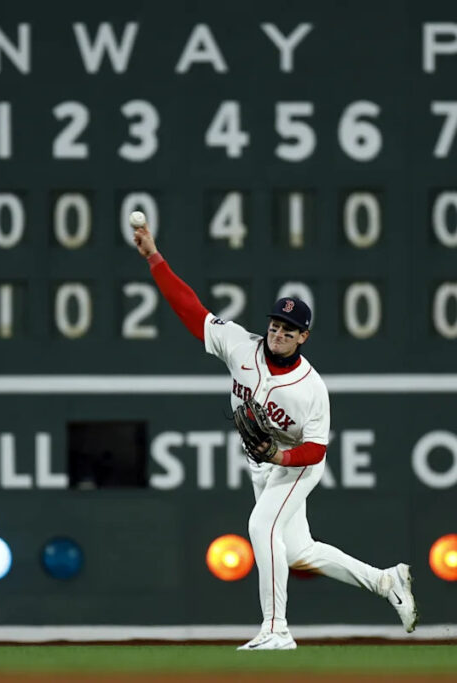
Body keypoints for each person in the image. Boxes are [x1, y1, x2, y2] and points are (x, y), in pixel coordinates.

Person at [131, 214, 418, 651]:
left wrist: (280, 457)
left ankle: (276, 629)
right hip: (263, 462)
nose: (278, 333)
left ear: (303, 337)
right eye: (274, 325)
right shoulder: (240, 346)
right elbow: (189, 307)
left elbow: (316, 450)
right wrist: (154, 258)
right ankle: (385, 581)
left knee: (261, 526)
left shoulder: (310, 389)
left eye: (288, 330)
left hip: (297, 464)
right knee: (298, 551)